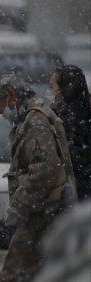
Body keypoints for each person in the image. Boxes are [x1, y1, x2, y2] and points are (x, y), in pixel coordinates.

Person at [0, 74, 75, 282]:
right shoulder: (31, 119)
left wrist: (19, 205)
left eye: (0, 102)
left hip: (41, 212)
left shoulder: (35, 121)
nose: (0, 110)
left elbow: (45, 169)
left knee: (14, 275)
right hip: (47, 211)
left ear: (13, 96)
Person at [48, 64, 91, 201]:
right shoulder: (82, 108)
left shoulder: (70, 118)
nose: (49, 92)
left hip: (79, 191)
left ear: (65, 90)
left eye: (52, 87)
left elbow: (75, 156)